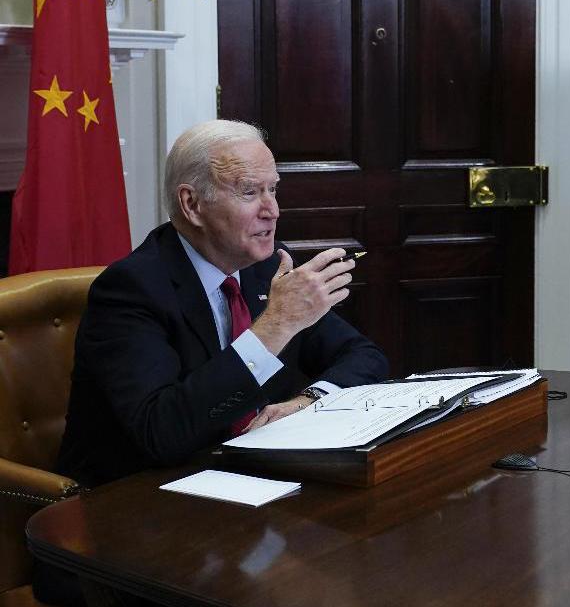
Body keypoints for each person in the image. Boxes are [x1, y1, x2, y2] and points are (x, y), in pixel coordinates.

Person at [56, 120, 389, 488]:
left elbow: (364, 356)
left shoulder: (267, 266)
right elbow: (161, 434)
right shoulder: (131, 289)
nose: (272, 210)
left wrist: (308, 400)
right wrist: (275, 326)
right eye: (250, 192)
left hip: (250, 478)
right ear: (192, 204)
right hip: (140, 495)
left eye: (273, 189)